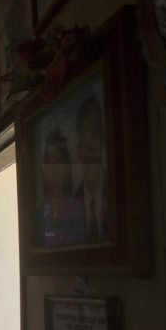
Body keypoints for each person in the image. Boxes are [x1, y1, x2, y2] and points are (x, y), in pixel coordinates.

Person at [39, 125, 85, 247]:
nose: (54, 168)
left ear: (66, 166)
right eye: (50, 163)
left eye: (58, 161)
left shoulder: (77, 207)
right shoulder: (40, 212)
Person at [74, 96, 108, 241]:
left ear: (103, 141)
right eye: (83, 139)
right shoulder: (73, 202)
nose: (89, 149)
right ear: (78, 150)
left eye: (94, 136)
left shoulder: (119, 192)